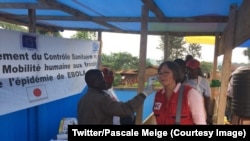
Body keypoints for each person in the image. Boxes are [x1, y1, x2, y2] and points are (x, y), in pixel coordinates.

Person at [77, 69, 154, 124]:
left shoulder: (83, 100)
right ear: (94, 82)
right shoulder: (101, 99)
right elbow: (125, 109)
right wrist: (144, 94)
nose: (104, 80)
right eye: (102, 79)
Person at [152, 61, 207, 125]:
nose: (162, 76)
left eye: (166, 72)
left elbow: (200, 122)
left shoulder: (191, 94)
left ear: (175, 74)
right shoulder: (158, 95)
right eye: (160, 73)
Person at [184, 59, 212, 124]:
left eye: (191, 69)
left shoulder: (204, 82)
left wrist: (208, 115)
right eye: (188, 69)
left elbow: (207, 99)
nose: (189, 71)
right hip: (186, 111)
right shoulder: (184, 80)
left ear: (197, 70)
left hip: (199, 112)